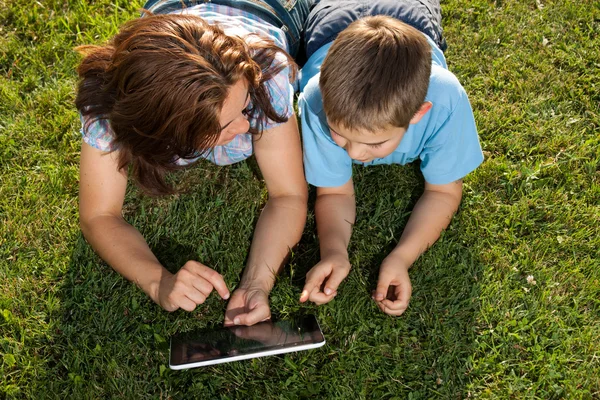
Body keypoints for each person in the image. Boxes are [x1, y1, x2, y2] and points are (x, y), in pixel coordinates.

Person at [75, 0, 313, 326]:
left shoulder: (260, 70)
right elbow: (98, 215)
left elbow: (288, 195)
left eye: (244, 108)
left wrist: (257, 284)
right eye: (225, 126)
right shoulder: (111, 108)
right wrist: (157, 281)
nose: (247, 127)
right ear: (163, 135)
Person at [298, 0, 484, 316]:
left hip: (411, 14)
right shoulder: (316, 100)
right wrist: (334, 252)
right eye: (339, 133)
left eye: (375, 142)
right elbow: (334, 192)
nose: (353, 154)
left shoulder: (446, 101)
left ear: (418, 112)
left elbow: (444, 191)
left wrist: (402, 257)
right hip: (333, 20)